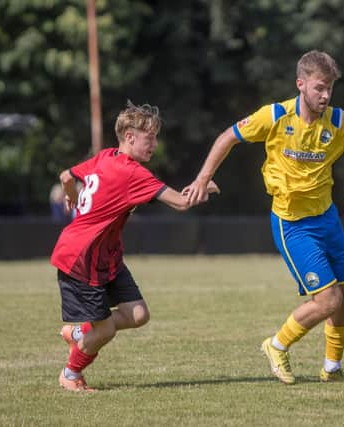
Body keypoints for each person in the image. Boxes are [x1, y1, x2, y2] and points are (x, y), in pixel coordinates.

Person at [184, 50, 344, 385]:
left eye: (329, 88)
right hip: (292, 223)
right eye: (318, 88)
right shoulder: (275, 116)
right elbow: (227, 137)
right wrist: (201, 178)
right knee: (328, 300)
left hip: (326, 218)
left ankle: (332, 369)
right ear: (301, 84)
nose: (325, 95)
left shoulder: (341, 122)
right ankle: (276, 344)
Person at [51, 101, 219, 391]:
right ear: (130, 137)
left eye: (155, 136)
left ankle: (78, 332)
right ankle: (70, 373)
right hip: (82, 258)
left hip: (106, 256)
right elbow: (180, 202)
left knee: (138, 314)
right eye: (149, 137)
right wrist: (206, 186)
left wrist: (70, 196)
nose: (154, 143)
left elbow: (67, 176)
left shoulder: (106, 156)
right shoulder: (131, 173)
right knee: (105, 330)